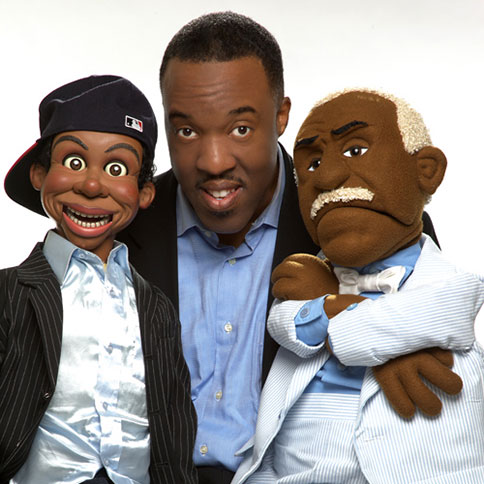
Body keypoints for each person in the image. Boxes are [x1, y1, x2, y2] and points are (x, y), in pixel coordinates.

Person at [118, 12, 441, 483]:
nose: (213, 162)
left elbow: (438, 376)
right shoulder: (123, 225)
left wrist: (350, 313)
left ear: (281, 116)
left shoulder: (371, 223)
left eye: (240, 129)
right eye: (187, 131)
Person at [232, 89, 484, 483]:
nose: (327, 177)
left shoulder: (449, 286)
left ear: (427, 170)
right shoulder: (306, 273)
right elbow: (284, 324)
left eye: (355, 150)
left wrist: (331, 302)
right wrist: (328, 303)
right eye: (313, 163)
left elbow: (433, 316)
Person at [1, 75, 197, 484]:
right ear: (38, 174)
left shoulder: (156, 308)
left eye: (116, 168)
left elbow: (174, 423)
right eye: (73, 162)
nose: (92, 185)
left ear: (144, 193)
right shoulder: (9, 294)